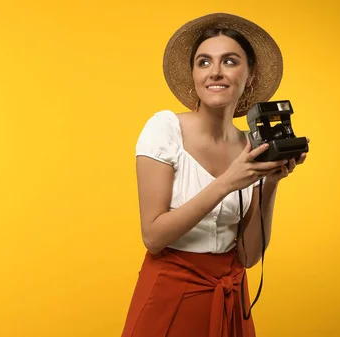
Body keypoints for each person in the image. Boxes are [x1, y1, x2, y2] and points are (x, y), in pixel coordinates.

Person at [120, 13, 309, 337]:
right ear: (193, 74)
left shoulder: (251, 145)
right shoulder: (165, 129)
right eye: (204, 62)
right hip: (171, 292)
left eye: (230, 61)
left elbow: (249, 256)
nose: (216, 72)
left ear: (250, 75)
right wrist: (227, 183)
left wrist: (271, 182)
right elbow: (153, 237)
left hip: (231, 293)